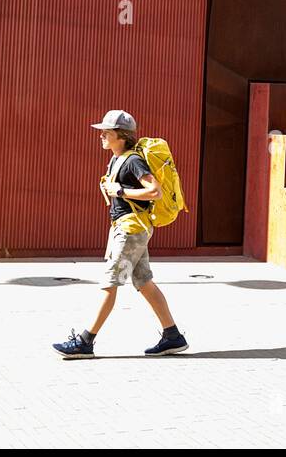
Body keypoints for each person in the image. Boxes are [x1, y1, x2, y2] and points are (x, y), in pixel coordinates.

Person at [53, 110, 188, 358]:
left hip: (130, 231)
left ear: (121, 135)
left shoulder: (132, 161)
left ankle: (85, 342)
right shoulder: (116, 159)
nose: (101, 135)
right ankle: (173, 336)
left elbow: (155, 191)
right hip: (127, 229)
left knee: (110, 283)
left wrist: (121, 190)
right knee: (144, 282)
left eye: (107, 132)